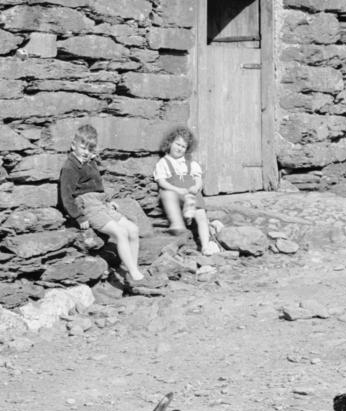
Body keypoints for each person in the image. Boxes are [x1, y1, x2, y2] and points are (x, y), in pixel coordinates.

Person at [58, 123, 161, 294]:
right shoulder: (70, 166)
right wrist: (78, 216)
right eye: (83, 147)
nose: (86, 151)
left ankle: (131, 271)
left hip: (101, 204)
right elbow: (66, 196)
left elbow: (96, 186)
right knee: (120, 233)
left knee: (133, 229)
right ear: (73, 145)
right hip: (89, 207)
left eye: (90, 148)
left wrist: (107, 202)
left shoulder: (90, 162)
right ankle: (136, 277)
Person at [153, 126, 223, 254]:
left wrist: (196, 187)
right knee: (167, 194)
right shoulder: (164, 163)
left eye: (183, 147)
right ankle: (178, 221)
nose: (179, 148)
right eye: (177, 144)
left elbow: (198, 179)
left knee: (201, 216)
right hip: (176, 193)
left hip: (191, 195)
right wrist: (176, 189)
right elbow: (161, 181)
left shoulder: (191, 164)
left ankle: (205, 245)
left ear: (187, 149)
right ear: (170, 143)